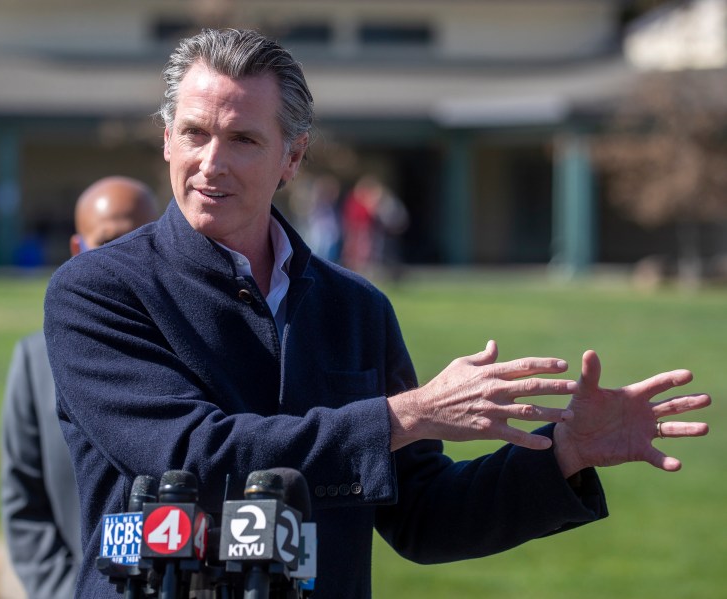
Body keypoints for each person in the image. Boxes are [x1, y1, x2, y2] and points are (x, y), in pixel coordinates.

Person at [43, 29, 710, 598]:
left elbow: (422, 515)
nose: (210, 162)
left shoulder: (354, 306)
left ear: (293, 157)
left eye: (244, 138)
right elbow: (194, 454)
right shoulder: (97, 290)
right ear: (166, 139)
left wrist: (562, 454)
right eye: (194, 133)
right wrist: (405, 414)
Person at [0, 176, 158, 599]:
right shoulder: (36, 360)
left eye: (138, 240)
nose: (123, 259)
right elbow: (24, 504)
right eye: (108, 242)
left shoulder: (195, 350)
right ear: (77, 249)